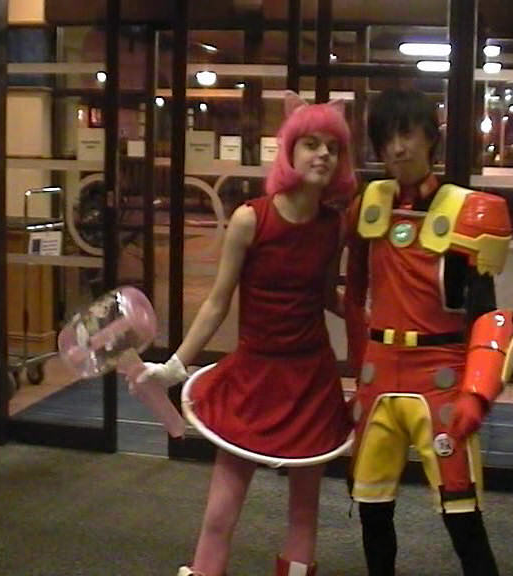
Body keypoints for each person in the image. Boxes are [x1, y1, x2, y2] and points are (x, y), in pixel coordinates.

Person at [131, 93, 356, 576]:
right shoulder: (251, 218)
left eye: (332, 147)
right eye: (311, 143)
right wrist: (174, 366)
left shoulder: (334, 225)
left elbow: (325, 295)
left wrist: (373, 318)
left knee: (305, 509)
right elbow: (217, 301)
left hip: (311, 379)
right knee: (222, 506)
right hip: (254, 376)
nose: (322, 154)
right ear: (289, 151)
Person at [344, 88, 513, 576]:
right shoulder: (367, 205)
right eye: (386, 138)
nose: (397, 148)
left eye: (406, 134)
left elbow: (488, 316)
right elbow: (354, 297)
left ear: (429, 137)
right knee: (372, 506)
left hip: (440, 376)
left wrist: (476, 394)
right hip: (379, 377)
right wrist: (358, 368)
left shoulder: (467, 211)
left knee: (461, 510)